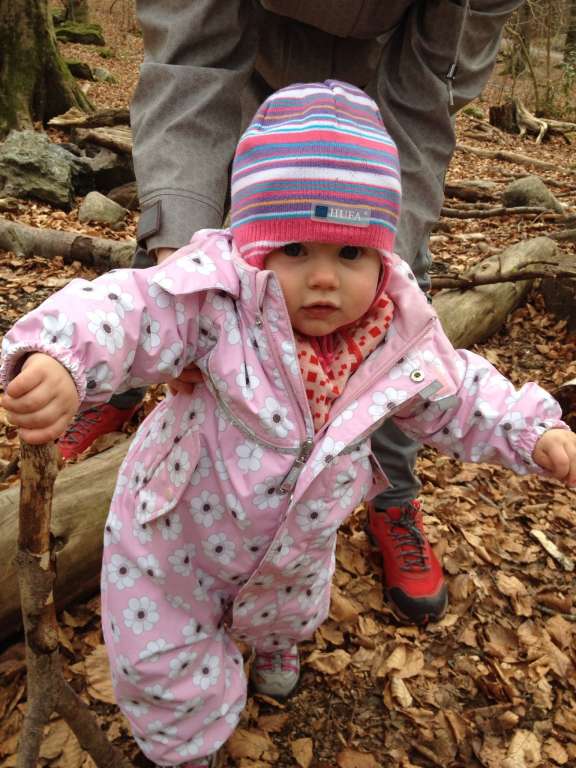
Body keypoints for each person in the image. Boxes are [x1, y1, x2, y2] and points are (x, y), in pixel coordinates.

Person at [2, 81, 575, 768]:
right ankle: (185, 748)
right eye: (296, 250)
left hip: (298, 539)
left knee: (292, 605)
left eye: (350, 253)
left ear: (383, 256)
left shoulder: (396, 338)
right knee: (162, 656)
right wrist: (62, 358)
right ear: (255, 248)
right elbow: (128, 308)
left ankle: (274, 645)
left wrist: (532, 433)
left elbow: (461, 393)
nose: (324, 278)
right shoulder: (213, 300)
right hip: (177, 532)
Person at [57, 0, 526, 626]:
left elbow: (427, 93)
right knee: (194, 271)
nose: (326, 278)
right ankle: (119, 382)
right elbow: (190, 55)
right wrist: (186, 281)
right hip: (248, 45)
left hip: (392, 74)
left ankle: (392, 495)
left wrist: (382, 265)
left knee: (391, 301)